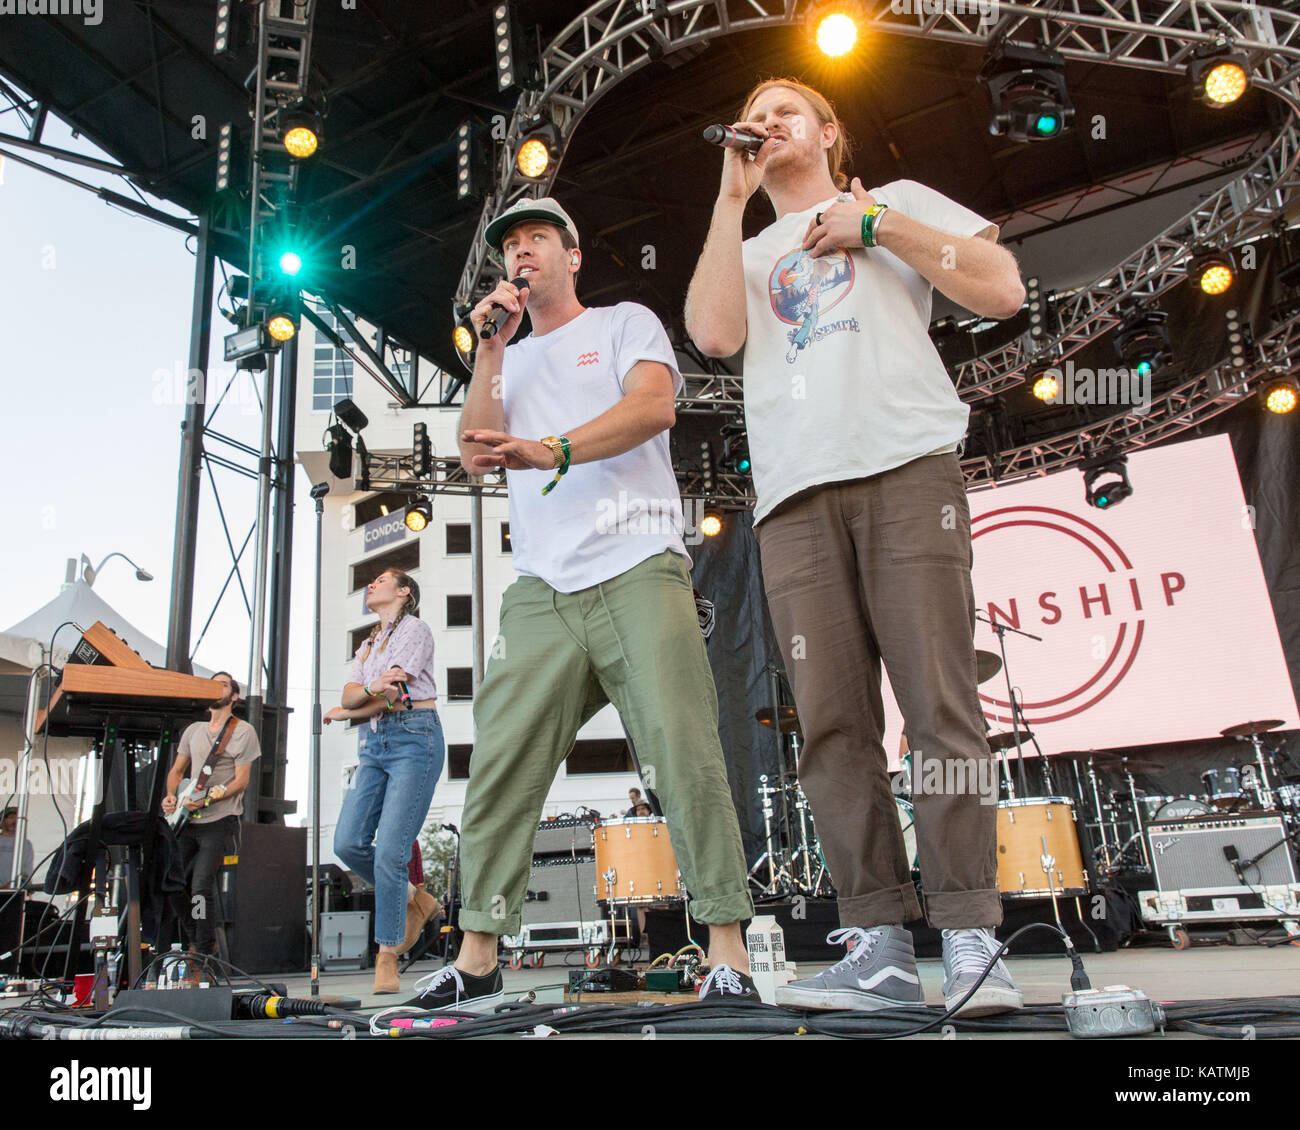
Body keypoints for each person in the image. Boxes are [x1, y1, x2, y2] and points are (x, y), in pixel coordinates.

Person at [686, 77, 1027, 1016]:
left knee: (940, 707)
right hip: (793, 499)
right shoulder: (748, 249)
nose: (768, 120)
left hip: (906, 467)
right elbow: (714, 334)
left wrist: (873, 228)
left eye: (787, 107)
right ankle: (876, 940)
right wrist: (729, 194)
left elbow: (1001, 288)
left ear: (831, 132)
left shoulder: (900, 202)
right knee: (834, 727)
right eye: (755, 110)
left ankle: (970, 936)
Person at [409, 195, 755, 1013]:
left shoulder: (622, 322)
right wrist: (488, 354)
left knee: (683, 747)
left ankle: (728, 948)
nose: (521, 253)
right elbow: (472, 456)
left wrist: (553, 449)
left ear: (572, 256)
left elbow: (653, 408)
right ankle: (480, 953)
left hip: (638, 562)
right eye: (510, 246)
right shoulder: (509, 360)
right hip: (543, 587)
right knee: (500, 759)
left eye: (537, 240)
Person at [326, 568, 444, 995]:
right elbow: (349, 694)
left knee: (390, 851)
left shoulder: (415, 629)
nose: (370, 585)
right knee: (347, 843)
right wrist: (358, 698)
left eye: (379, 580)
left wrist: (359, 701)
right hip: (373, 745)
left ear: (404, 590)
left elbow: (391, 692)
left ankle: (387, 955)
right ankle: (417, 898)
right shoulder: (369, 641)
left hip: (415, 737)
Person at [162, 672, 260, 963]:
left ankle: (203, 949)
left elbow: (240, 782)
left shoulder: (243, 732)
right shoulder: (193, 730)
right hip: (187, 819)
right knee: (172, 882)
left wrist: (205, 799)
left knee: (201, 885)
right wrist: (171, 797)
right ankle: (196, 934)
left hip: (220, 819)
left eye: (224, 685)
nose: (217, 687)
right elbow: (177, 772)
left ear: (234, 697)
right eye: (213, 683)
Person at [0, 807, 33, 887]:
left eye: (17, 818)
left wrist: (23, 884)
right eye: (11, 817)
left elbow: (27, 870)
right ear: (2, 820)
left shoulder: (26, 844)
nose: (14, 821)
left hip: (16, 891)